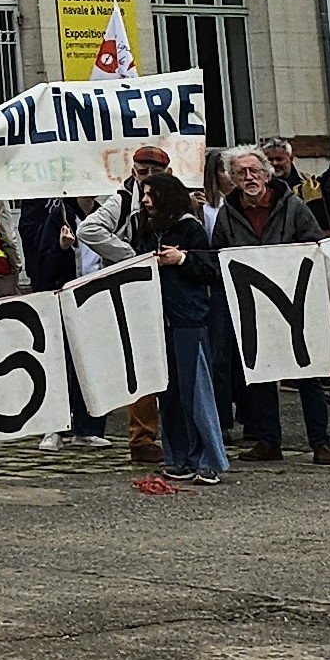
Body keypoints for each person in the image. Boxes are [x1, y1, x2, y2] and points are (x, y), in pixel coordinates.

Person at [79, 152, 226, 487]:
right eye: (143, 193)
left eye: (150, 194)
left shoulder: (191, 229)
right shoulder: (146, 231)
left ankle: (209, 460)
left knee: (196, 393)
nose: (144, 199)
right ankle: (179, 458)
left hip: (188, 320)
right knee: (168, 394)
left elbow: (210, 270)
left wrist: (182, 259)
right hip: (156, 322)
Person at [213, 150, 330, 464]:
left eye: (254, 171)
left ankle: (320, 442)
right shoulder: (227, 213)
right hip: (253, 306)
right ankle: (269, 441)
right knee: (261, 373)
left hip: (295, 300)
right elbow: (218, 255)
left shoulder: (293, 206)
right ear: (233, 179)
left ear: (268, 174)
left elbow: (314, 244)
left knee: (308, 372)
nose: (249, 178)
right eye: (241, 173)